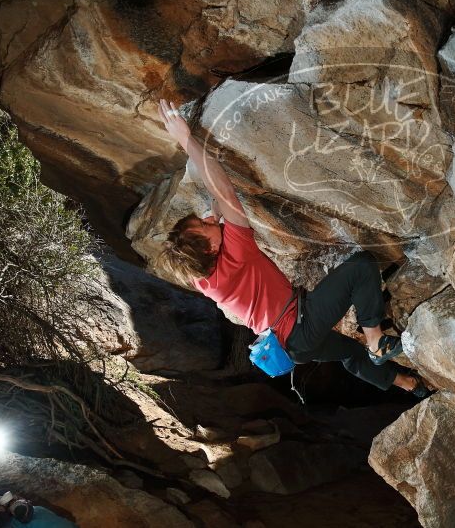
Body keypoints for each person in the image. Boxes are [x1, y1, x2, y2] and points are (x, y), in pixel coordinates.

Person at [154, 99, 430, 397]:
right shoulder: (236, 253)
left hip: (290, 348)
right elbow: (224, 189)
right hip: (299, 326)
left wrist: (215, 215)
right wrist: (186, 139)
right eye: (207, 227)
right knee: (361, 266)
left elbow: (217, 206)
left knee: (350, 353)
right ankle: (376, 340)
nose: (211, 223)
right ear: (210, 247)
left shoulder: (203, 277)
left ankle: (409, 385)